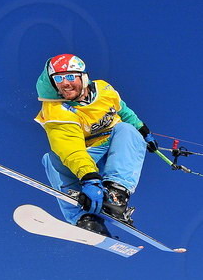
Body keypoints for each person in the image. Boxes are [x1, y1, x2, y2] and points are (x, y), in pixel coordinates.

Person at [34, 54, 157, 236]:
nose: (65, 84)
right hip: (86, 156)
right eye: (58, 79)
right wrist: (89, 178)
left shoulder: (104, 89)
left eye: (69, 77)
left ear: (82, 76)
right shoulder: (56, 110)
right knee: (52, 159)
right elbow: (71, 149)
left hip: (116, 151)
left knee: (127, 129)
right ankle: (86, 219)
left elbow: (122, 110)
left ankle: (115, 196)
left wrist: (143, 131)